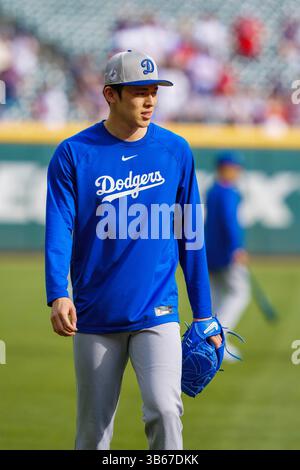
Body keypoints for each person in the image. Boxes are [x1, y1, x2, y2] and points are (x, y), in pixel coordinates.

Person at [45, 50, 221, 450]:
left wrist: (205, 313)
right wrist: (58, 292)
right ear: (110, 94)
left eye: (153, 91)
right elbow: (59, 228)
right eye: (139, 92)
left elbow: (190, 235)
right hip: (94, 311)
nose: (150, 101)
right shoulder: (74, 154)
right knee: (93, 433)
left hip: (157, 309)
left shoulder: (176, 150)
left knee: (164, 409)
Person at [205, 150, 250, 360]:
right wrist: (236, 248)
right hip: (225, 253)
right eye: (235, 167)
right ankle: (218, 339)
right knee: (240, 293)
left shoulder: (213, 189)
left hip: (209, 252)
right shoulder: (227, 191)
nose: (238, 171)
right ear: (225, 168)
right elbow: (229, 223)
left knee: (217, 297)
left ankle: (208, 343)